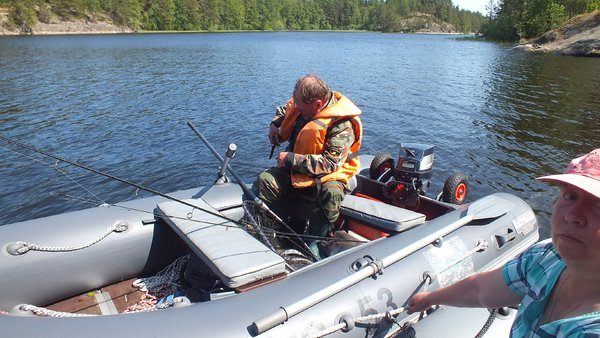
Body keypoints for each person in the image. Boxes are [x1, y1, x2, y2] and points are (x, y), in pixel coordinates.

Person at [407, 148, 600, 336]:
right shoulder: (544, 258)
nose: (573, 215)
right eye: (570, 196)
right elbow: (479, 289)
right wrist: (429, 298)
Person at [255, 74, 362, 259]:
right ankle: (277, 232)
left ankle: (315, 241)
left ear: (318, 105)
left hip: (327, 175)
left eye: (300, 106)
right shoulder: (301, 104)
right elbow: (284, 109)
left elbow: (329, 163)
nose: (296, 107)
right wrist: (275, 123)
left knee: (331, 192)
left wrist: (290, 159)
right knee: (266, 180)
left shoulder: (342, 125)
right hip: (298, 172)